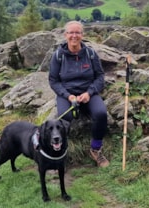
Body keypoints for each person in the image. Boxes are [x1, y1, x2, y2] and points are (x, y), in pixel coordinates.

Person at [48, 20, 109, 168]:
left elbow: (100, 76)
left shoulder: (90, 54)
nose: (74, 36)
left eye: (77, 32)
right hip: (67, 95)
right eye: (71, 33)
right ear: (65, 35)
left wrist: (89, 92)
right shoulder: (58, 56)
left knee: (101, 114)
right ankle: (59, 153)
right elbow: (53, 80)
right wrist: (68, 96)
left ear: (82, 35)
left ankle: (95, 149)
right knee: (64, 118)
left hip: (88, 93)